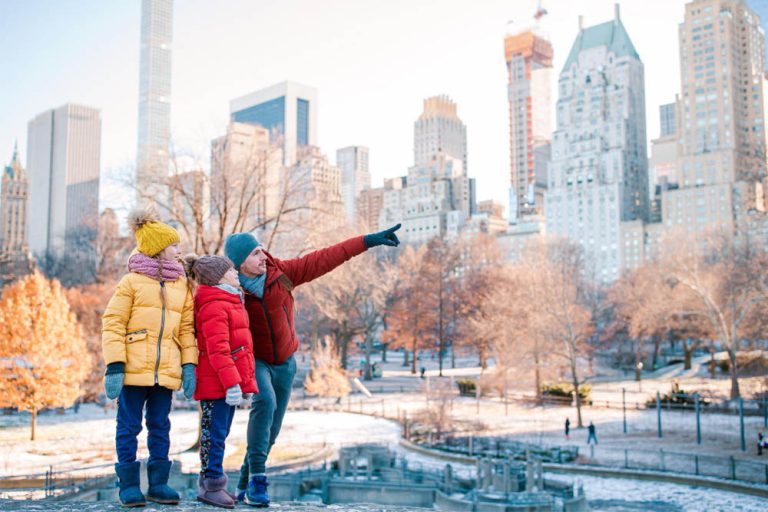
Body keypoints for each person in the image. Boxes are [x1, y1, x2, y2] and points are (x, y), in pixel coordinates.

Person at [226, 224, 401, 507]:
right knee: (265, 403)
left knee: (273, 429)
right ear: (240, 262)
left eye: (261, 250)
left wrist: (367, 241)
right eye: (255, 253)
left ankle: (245, 479)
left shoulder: (282, 273)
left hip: (285, 362)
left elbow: (326, 257)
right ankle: (259, 479)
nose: (263, 256)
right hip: (255, 361)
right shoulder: (230, 291)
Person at [101, 209, 197, 507]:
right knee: (128, 426)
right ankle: (128, 485)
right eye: (173, 245)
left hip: (165, 370)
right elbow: (113, 322)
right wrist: (115, 365)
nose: (178, 249)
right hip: (131, 369)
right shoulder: (131, 282)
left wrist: (189, 364)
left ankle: (159, 484)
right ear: (157, 250)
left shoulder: (181, 285)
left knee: (160, 425)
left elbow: (186, 328)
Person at [185, 254, 258, 509]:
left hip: (227, 383)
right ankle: (211, 485)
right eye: (230, 270)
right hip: (216, 384)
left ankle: (212, 484)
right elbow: (218, 350)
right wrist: (232, 384)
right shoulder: (214, 304)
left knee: (220, 433)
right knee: (213, 435)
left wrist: (245, 384)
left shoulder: (230, 300)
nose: (236, 272)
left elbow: (241, 349)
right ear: (218, 277)